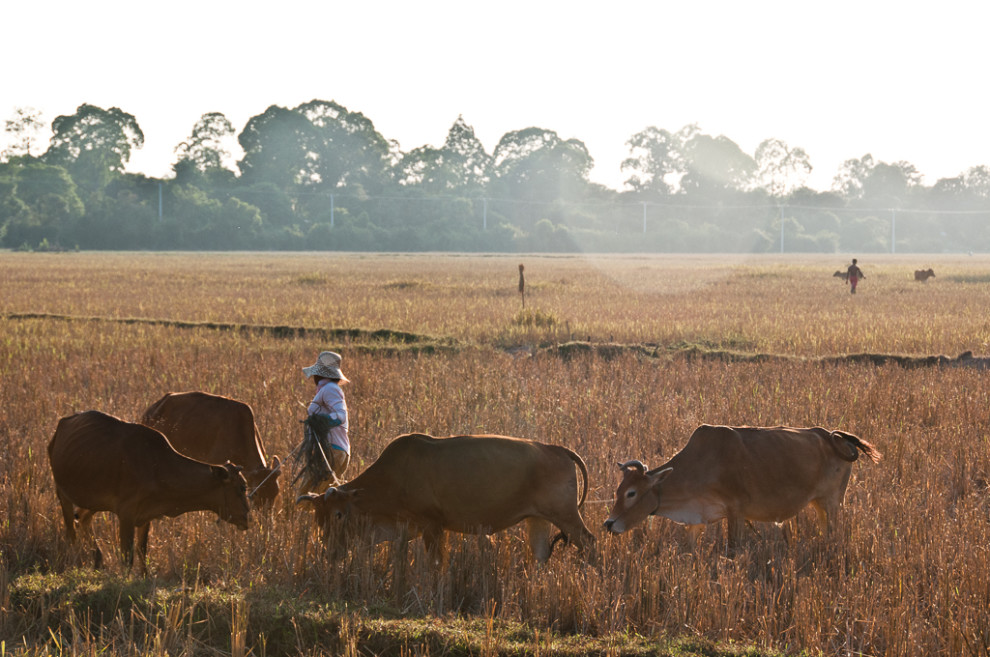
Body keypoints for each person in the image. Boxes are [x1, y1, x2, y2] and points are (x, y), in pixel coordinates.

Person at [302, 350, 350, 481]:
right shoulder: (327, 389)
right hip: (335, 450)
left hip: (331, 450)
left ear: (318, 374)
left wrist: (321, 421)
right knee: (326, 498)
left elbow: (341, 416)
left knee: (306, 496)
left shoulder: (329, 388)